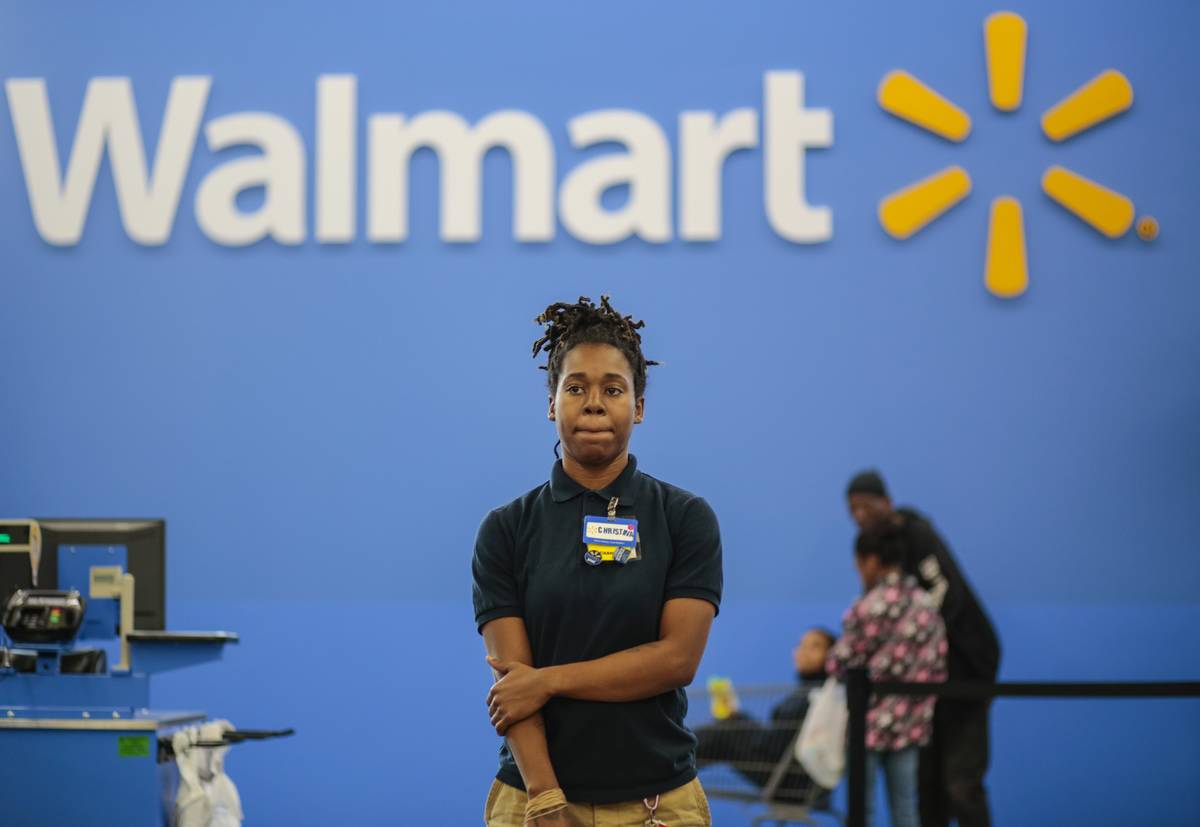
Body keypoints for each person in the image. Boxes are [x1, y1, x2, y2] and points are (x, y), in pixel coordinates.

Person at [472, 296, 723, 826]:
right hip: (533, 804)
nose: (593, 404)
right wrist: (545, 799)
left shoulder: (684, 518)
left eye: (613, 389)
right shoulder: (506, 529)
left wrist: (550, 680)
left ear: (638, 406)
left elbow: (677, 660)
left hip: (658, 807)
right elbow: (512, 685)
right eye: (575, 388)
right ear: (551, 402)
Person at [845, 470, 1000, 827]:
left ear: (887, 501)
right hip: (925, 683)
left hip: (967, 671)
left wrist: (907, 638)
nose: (859, 515)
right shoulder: (888, 552)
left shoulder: (918, 535)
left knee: (961, 782)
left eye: (865, 505)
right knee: (927, 787)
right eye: (852, 509)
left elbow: (947, 596)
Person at [827, 522, 948, 827]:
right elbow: (937, 665)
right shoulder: (926, 605)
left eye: (858, 564)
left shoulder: (867, 607)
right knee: (906, 809)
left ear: (870, 560)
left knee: (861, 811)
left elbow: (841, 662)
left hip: (865, 725)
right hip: (910, 725)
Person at [694, 627, 835, 803]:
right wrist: (737, 718)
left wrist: (737, 719)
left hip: (790, 782)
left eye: (815, 646)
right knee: (726, 729)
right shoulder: (814, 693)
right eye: (801, 645)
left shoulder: (817, 697)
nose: (804, 651)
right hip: (796, 780)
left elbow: (772, 746)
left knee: (723, 734)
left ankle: (671, 759)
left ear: (832, 655)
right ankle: (674, 759)